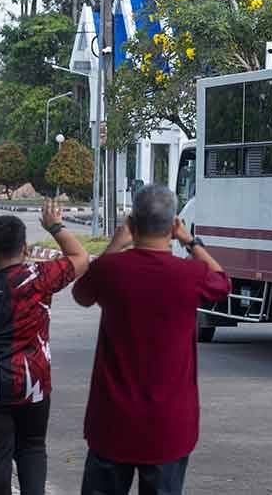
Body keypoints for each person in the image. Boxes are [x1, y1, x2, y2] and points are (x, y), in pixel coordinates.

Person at [72, 184, 229, 495]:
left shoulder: (110, 270)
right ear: (173, 227)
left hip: (112, 423)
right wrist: (190, 241)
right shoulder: (189, 274)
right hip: (168, 426)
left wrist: (114, 245)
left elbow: (82, 294)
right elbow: (222, 283)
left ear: (131, 225)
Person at [0, 200, 89, 495]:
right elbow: (80, 256)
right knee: (32, 449)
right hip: (34, 383)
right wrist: (55, 226)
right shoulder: (41, 278)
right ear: (25, 249)